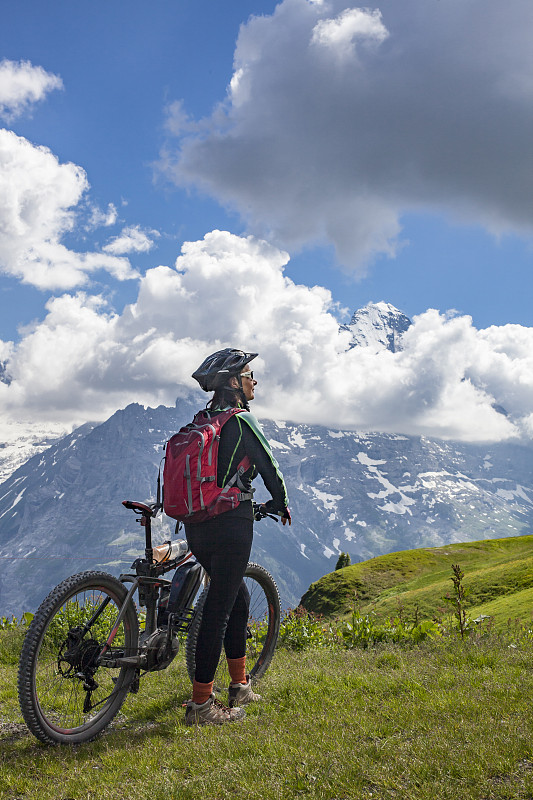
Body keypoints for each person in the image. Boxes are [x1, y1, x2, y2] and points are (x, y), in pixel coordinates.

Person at [184, 348, 291, 726]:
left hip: (196, 526)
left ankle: (239, 685)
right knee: (218, 608)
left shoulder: (201, 421)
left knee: (237, 596)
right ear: (234, 383)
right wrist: (280, 503)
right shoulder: (241, 421)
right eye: (249, 374)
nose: (254, 380)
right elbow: (268, 466)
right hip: (230, 524)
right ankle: (201, 705)